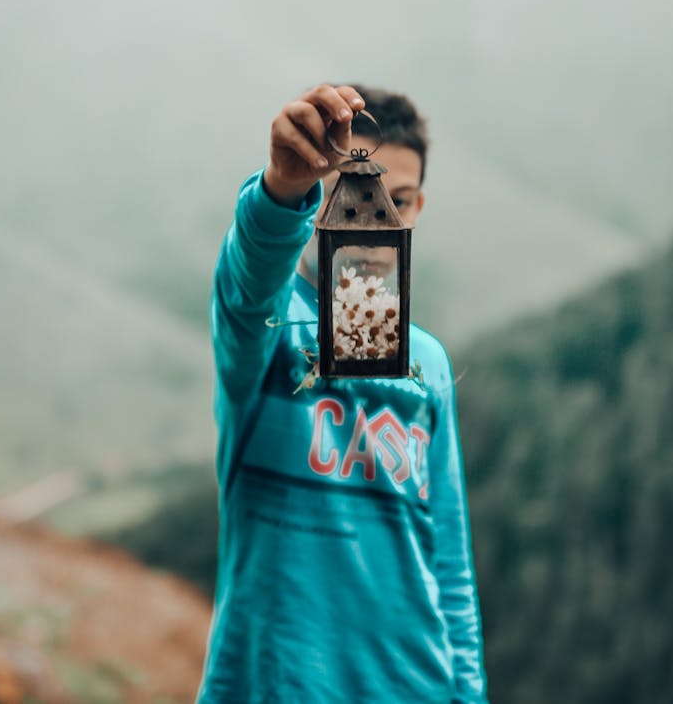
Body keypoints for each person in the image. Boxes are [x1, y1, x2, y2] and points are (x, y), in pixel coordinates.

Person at [196, 83, 488, 704]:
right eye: (350, 189)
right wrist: (281, 188)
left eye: (397, 199)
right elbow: (246, 285)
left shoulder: (428, 363)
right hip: (276, 685)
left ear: (417, 206)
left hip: (417, 687)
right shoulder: (266, 332)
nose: (374, 210)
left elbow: (450, 565)